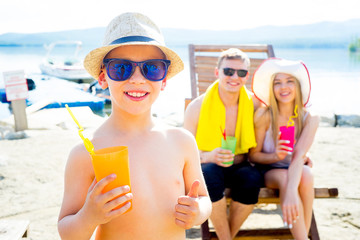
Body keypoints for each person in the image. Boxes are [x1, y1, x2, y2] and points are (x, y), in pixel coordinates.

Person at [58, 12, 212, 240]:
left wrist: (198, 212)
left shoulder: (181, 141)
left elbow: (203, 197)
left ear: (164, 80)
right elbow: (67, 231)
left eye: (152, 68)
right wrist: (89, 216)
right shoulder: (87, 152)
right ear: (102, 78)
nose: (138, 79)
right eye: (121, 68)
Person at [184, 48, 263, 239]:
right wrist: (208, 156)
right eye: (228, 71)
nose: (234, 77)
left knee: (252, 179)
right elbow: (183, 153)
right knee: (208, 174)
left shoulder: (255, 104)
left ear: (247, 76)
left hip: (240, 164)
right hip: (209, 166)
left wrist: (301, 155)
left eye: (241, 72)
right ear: (217, 72)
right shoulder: (197, 106)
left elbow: (278, 129)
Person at [249, 58, 319, 239]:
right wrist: (275, 155)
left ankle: (302, 236)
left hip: (294, 168)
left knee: (307, 174)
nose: (283, 87)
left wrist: (290, 193)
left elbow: (298, 157)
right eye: (277, 83)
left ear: (297, 86)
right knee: (289, 177)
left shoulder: (309, 117)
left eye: (289, 81)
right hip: (269, 170)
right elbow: (253, 156)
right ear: (272, 88)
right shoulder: (264, 115)